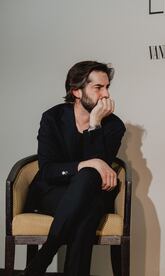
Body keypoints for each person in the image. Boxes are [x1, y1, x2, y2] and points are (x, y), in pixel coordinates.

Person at [23, 61, 126, 276]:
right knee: (87, 208)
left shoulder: (114, 126)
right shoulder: (52, 118)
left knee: (88, 183)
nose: (105, 95)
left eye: (107, 87)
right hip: (53, 191)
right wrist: (88, 163)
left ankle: (44, 257)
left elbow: (99, 175)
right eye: (98, 88)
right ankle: (45, 258)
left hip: (93, 193)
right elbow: (48, 170)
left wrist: (95, 124)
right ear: (76, 91)